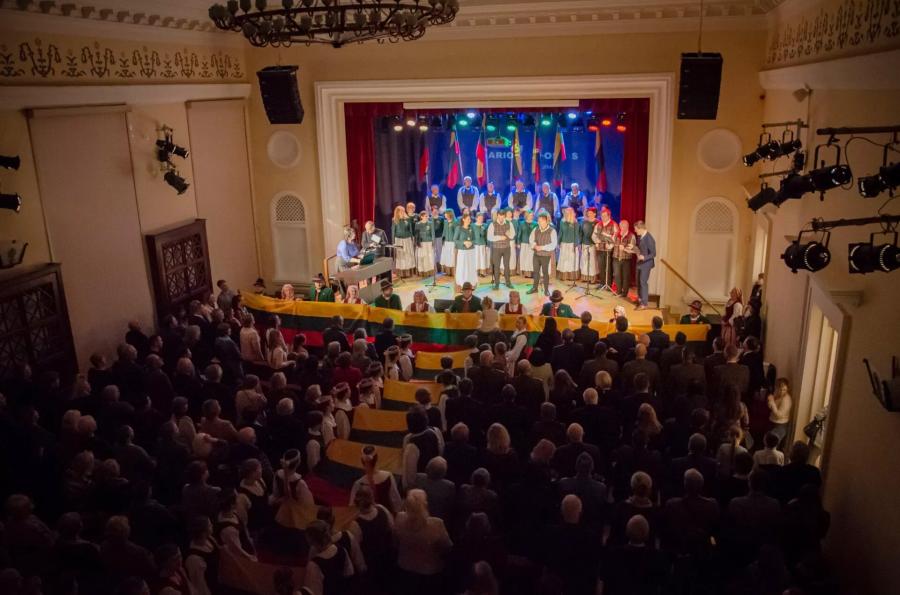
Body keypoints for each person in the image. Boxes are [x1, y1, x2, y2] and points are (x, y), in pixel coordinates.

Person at [394, 489, 453, 595]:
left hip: (404, 568)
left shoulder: (399, 518)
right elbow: (447, 547)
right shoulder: (437, 524)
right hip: (429, 572)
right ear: (425, 504)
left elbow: (395, 542)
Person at [527, 209, 557, 296]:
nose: (539, 222)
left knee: (545, 272)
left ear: (546, 221)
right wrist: (534, 245)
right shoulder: (536, 229)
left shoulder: (552, 231)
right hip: (536, 255)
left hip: (545, 255)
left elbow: (553, 244)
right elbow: (531, 239)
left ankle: (546, 290)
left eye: (541, 221)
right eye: (538, 221)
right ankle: (535, 288)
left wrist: (542, 247)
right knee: (536, 272)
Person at [487, 207, 516, 289]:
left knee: (507, 266)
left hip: (506, 248)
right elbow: (489, 237)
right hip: (496, 248)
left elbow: (513, 235)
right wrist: (500, 237)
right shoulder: (492, 224)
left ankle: (508, 282)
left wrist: (509, 234)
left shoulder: (509, 223)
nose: (501, 218)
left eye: (502, 216)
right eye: (500, 216)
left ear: (504, 216)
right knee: (496, 266)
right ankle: (497, 284)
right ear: (497, 216)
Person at [592, 207, 618, 290]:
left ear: (609, 216)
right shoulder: (598, 224)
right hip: (600, 249)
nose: (603, 218)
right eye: (602, 216)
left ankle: (608, 284)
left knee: (608, 267)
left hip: (609, 250)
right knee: (601, 266)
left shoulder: (614, 224)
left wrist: (610, 245)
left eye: (604, 216)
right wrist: (597, 241)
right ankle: (602, 283)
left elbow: (615, 236)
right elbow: (594, 235)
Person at [633, 220, 655, 310]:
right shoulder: (640, 236)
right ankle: (640, 299)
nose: (635, 231)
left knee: (643, 282)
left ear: (640, 228)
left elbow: (653, 253)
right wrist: (633, 248)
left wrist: (644, 257)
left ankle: (644, 304)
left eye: (636, 229)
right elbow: (640, 248)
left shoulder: (649, 238)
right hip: (640, 263)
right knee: (638, 282)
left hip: (646, 264)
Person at [454, 212, 479, 291]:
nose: (469, 220)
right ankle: (462, 284)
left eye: (470, 219)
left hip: (471, 251)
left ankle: (471, 284)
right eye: (468, 219)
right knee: (463, 267)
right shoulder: (459, 228)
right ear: (463, 219)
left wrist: (471, 242)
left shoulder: (472, 228)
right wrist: (464, 242)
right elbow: (455, 240)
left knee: (470, 267)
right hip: (462, 251)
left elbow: (476, 239)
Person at [612, 219, 636, 298]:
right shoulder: (616, 234)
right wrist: (610, 245)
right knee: (617, 275)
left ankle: (624, 293)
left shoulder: (631, 236)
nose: (622, 228)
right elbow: (612, 242)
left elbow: (633, 249)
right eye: (621, 226)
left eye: (624, 226)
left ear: (627, 226)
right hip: (616, 257)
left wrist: (624, 248)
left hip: (626, 259)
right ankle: (618, 291)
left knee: (626, 276)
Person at [392, 205, 416, 278]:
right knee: (401, 255)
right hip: (399, 240)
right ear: (397, 212)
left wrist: (412, 238)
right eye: (401, 211)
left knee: (408, 255)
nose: (402, 212)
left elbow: (410, 230)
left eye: (403, 211)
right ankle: (401, 273)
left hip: (407, 240)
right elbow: (393, 232)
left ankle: (409, 272)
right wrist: (393, 242)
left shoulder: (408, 219)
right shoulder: (394, 220)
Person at [556, 207, 580, 281]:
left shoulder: (575, 222)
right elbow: (560, 232)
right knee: (564, 260)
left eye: (567, 213)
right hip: (564, 244)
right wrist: (558, 242)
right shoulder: (562, 221)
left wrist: (575, 245)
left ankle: (571, 276)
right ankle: (564, 276)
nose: (565, 214)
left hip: (572, 244)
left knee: (571, 260)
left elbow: (576, 234)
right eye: (565, 213)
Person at [766, 377, 792, 445]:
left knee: (774, 445)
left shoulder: (786, 400)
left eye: (784, 390)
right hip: (773, 422)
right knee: (768, 443)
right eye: (780, 389)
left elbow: (779, 415)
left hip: (780, 425)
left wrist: (772, 402)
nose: (782, 392)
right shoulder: (777, 394)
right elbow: (770, 407)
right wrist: (770, 400)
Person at [578, 207, 599, 283]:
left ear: (594, 214)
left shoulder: (597, 222)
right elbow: (580, 233)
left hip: (593, 244)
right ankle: (585, 277)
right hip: (584, 243)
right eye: (588, 213)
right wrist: (580, 243)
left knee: (592, 262)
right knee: (584, 261)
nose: (589, 214)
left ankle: (592, 278)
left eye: (590, 213)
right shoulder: (584, 222)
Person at [415, 210, 436, 277]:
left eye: (427, 216)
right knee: (422, 257)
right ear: (421, 217)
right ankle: (423, 271)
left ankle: (430, 271)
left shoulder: (430, 223)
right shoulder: (418, 224)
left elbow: (432, 233)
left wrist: (433, 241)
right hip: (422, 243)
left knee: (429, 257)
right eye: (425, 216)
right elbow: (416, 234)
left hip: (429, 242)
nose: (427, 217)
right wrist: (417, 242)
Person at [516, 209, 536, 279]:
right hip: (524, 243)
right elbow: (519, 234)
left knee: (531, 258)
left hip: (532, 244)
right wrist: (518, 243)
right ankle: (525, 273)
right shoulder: (522, 223)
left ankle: (531, 273)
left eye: (532, 215)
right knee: (524, 258)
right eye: (530, 215)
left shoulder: (535, 224)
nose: (531, 217)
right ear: (526, 216)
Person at [439, 210, 457, 274]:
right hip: (446, 242)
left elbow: (456, 232)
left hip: (452, 242)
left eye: (446, 213)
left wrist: (455, 241)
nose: (445, 215)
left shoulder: (455, 222)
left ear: (449, 214)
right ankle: (447, 271)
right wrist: (443, 239)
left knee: (452, 256)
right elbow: (444, 231)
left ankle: (453, 271)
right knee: (447, 256)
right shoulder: (445, 222)